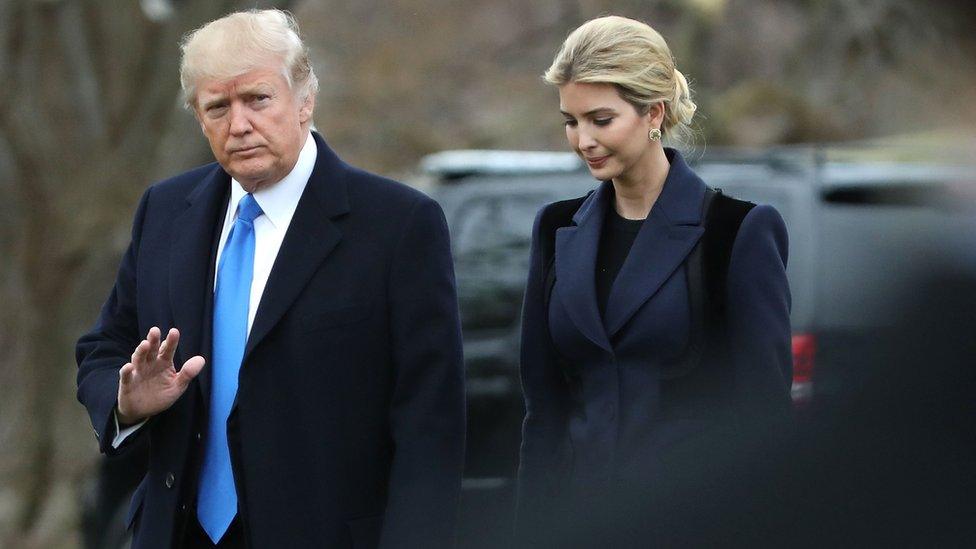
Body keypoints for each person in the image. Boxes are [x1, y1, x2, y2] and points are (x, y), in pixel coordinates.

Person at [75, 9, 465, 549]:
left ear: (305, 100)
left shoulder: (398, 225)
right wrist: (127, 403)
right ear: (199, 118)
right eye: (218, 107)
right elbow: (103, 347)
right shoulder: (165, 211)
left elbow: (430, 424)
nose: (239, 124)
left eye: (257, 99)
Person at [515, 16, 792, 546]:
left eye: (601, 119)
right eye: (571, 122)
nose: (583, 140)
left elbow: (764, 421)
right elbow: (544, 410)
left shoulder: (736, 231)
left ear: (653, 113)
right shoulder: (555, 228)